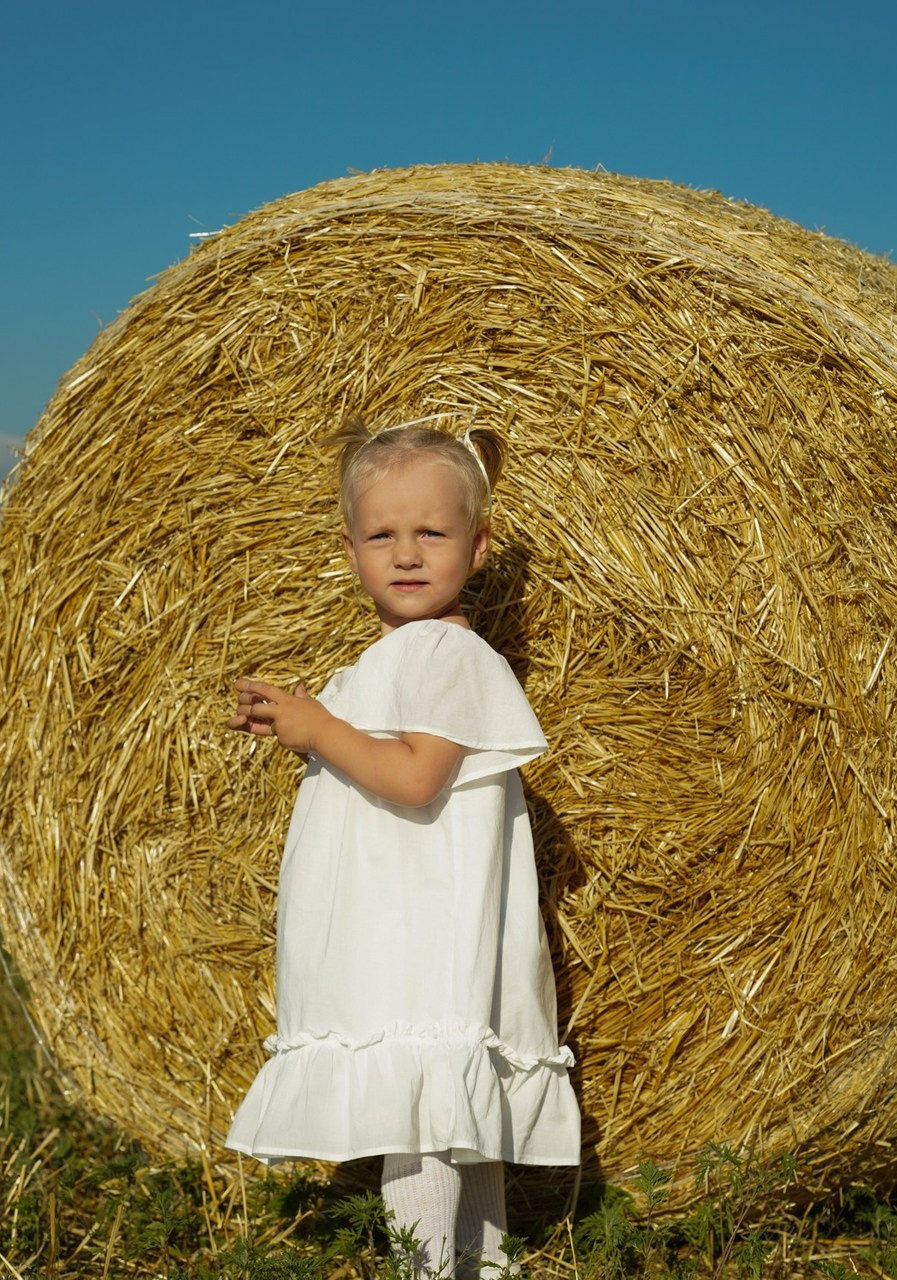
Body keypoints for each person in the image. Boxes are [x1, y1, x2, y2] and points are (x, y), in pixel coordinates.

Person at [225, 415, 581, 1277]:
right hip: (401, 919)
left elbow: (417, 777)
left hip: (421, 933)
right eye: (383, 535)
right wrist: (308, 727)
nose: (408, 553)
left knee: (420, 1115)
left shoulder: (450, 655)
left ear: (478, 546)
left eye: (433, 532)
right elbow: (377, 760)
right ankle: (482, 1269)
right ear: (349, 551)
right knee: (453, 1115)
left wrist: (321, 728)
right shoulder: (398, 658)